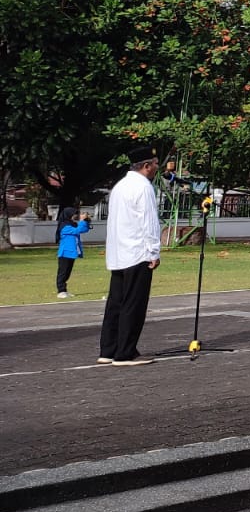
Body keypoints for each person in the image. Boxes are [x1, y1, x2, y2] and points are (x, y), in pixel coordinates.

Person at [99, 151, 162, 366]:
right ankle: (125, 352)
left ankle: (108, 349)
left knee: (116, 303)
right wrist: (154, 251)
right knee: (133, 303)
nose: (156, 167)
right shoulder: (143, 187)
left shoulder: (120, 186)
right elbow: (149, 221)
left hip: (119, 252)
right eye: (155, 164)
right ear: (146, 165)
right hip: (137, 252)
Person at [55, 207, 91, 299]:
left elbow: (84, 230)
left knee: (67, 272)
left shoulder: (73, 224)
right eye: (74, 214)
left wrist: (86, 221)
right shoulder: (64, 226)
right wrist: (82, 220)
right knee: (62, 272)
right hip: (65, 253)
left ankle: (64, 290)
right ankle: (61, 291)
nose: (75, 216)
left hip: (71, 253)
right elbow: (77, 230)